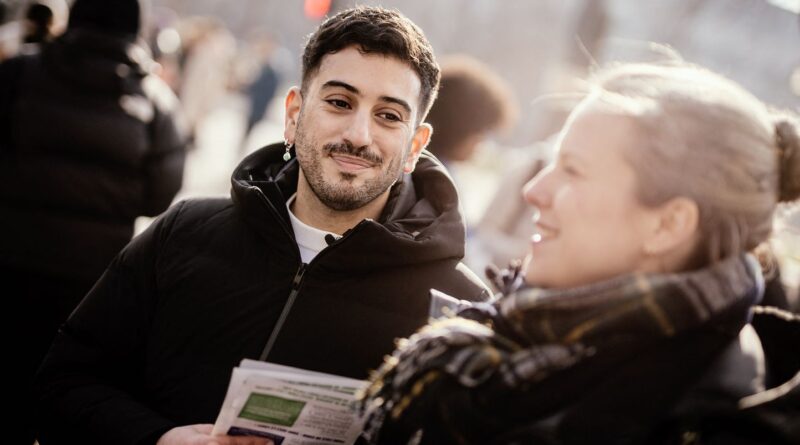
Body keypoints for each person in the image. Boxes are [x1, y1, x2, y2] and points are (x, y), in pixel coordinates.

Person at [34, 6, 490, 445]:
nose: (358, 135)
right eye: (338, 102)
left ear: (415, 144)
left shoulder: (459, 310)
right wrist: (157, 437)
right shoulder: (183, 233)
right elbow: (63, 383)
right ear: (294, 115)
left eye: (389, 116)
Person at [360, 61, 800, 444]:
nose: (534, 191)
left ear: (667, 225)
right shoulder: (538, 338)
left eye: (573, 170)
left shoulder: (695, 418)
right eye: (551, 163)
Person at [0, 0, 187, 443]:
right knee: (63, 385)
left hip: (10, 258)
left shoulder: (21, 73)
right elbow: (161, 194)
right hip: (91, 278)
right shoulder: (155, 99)